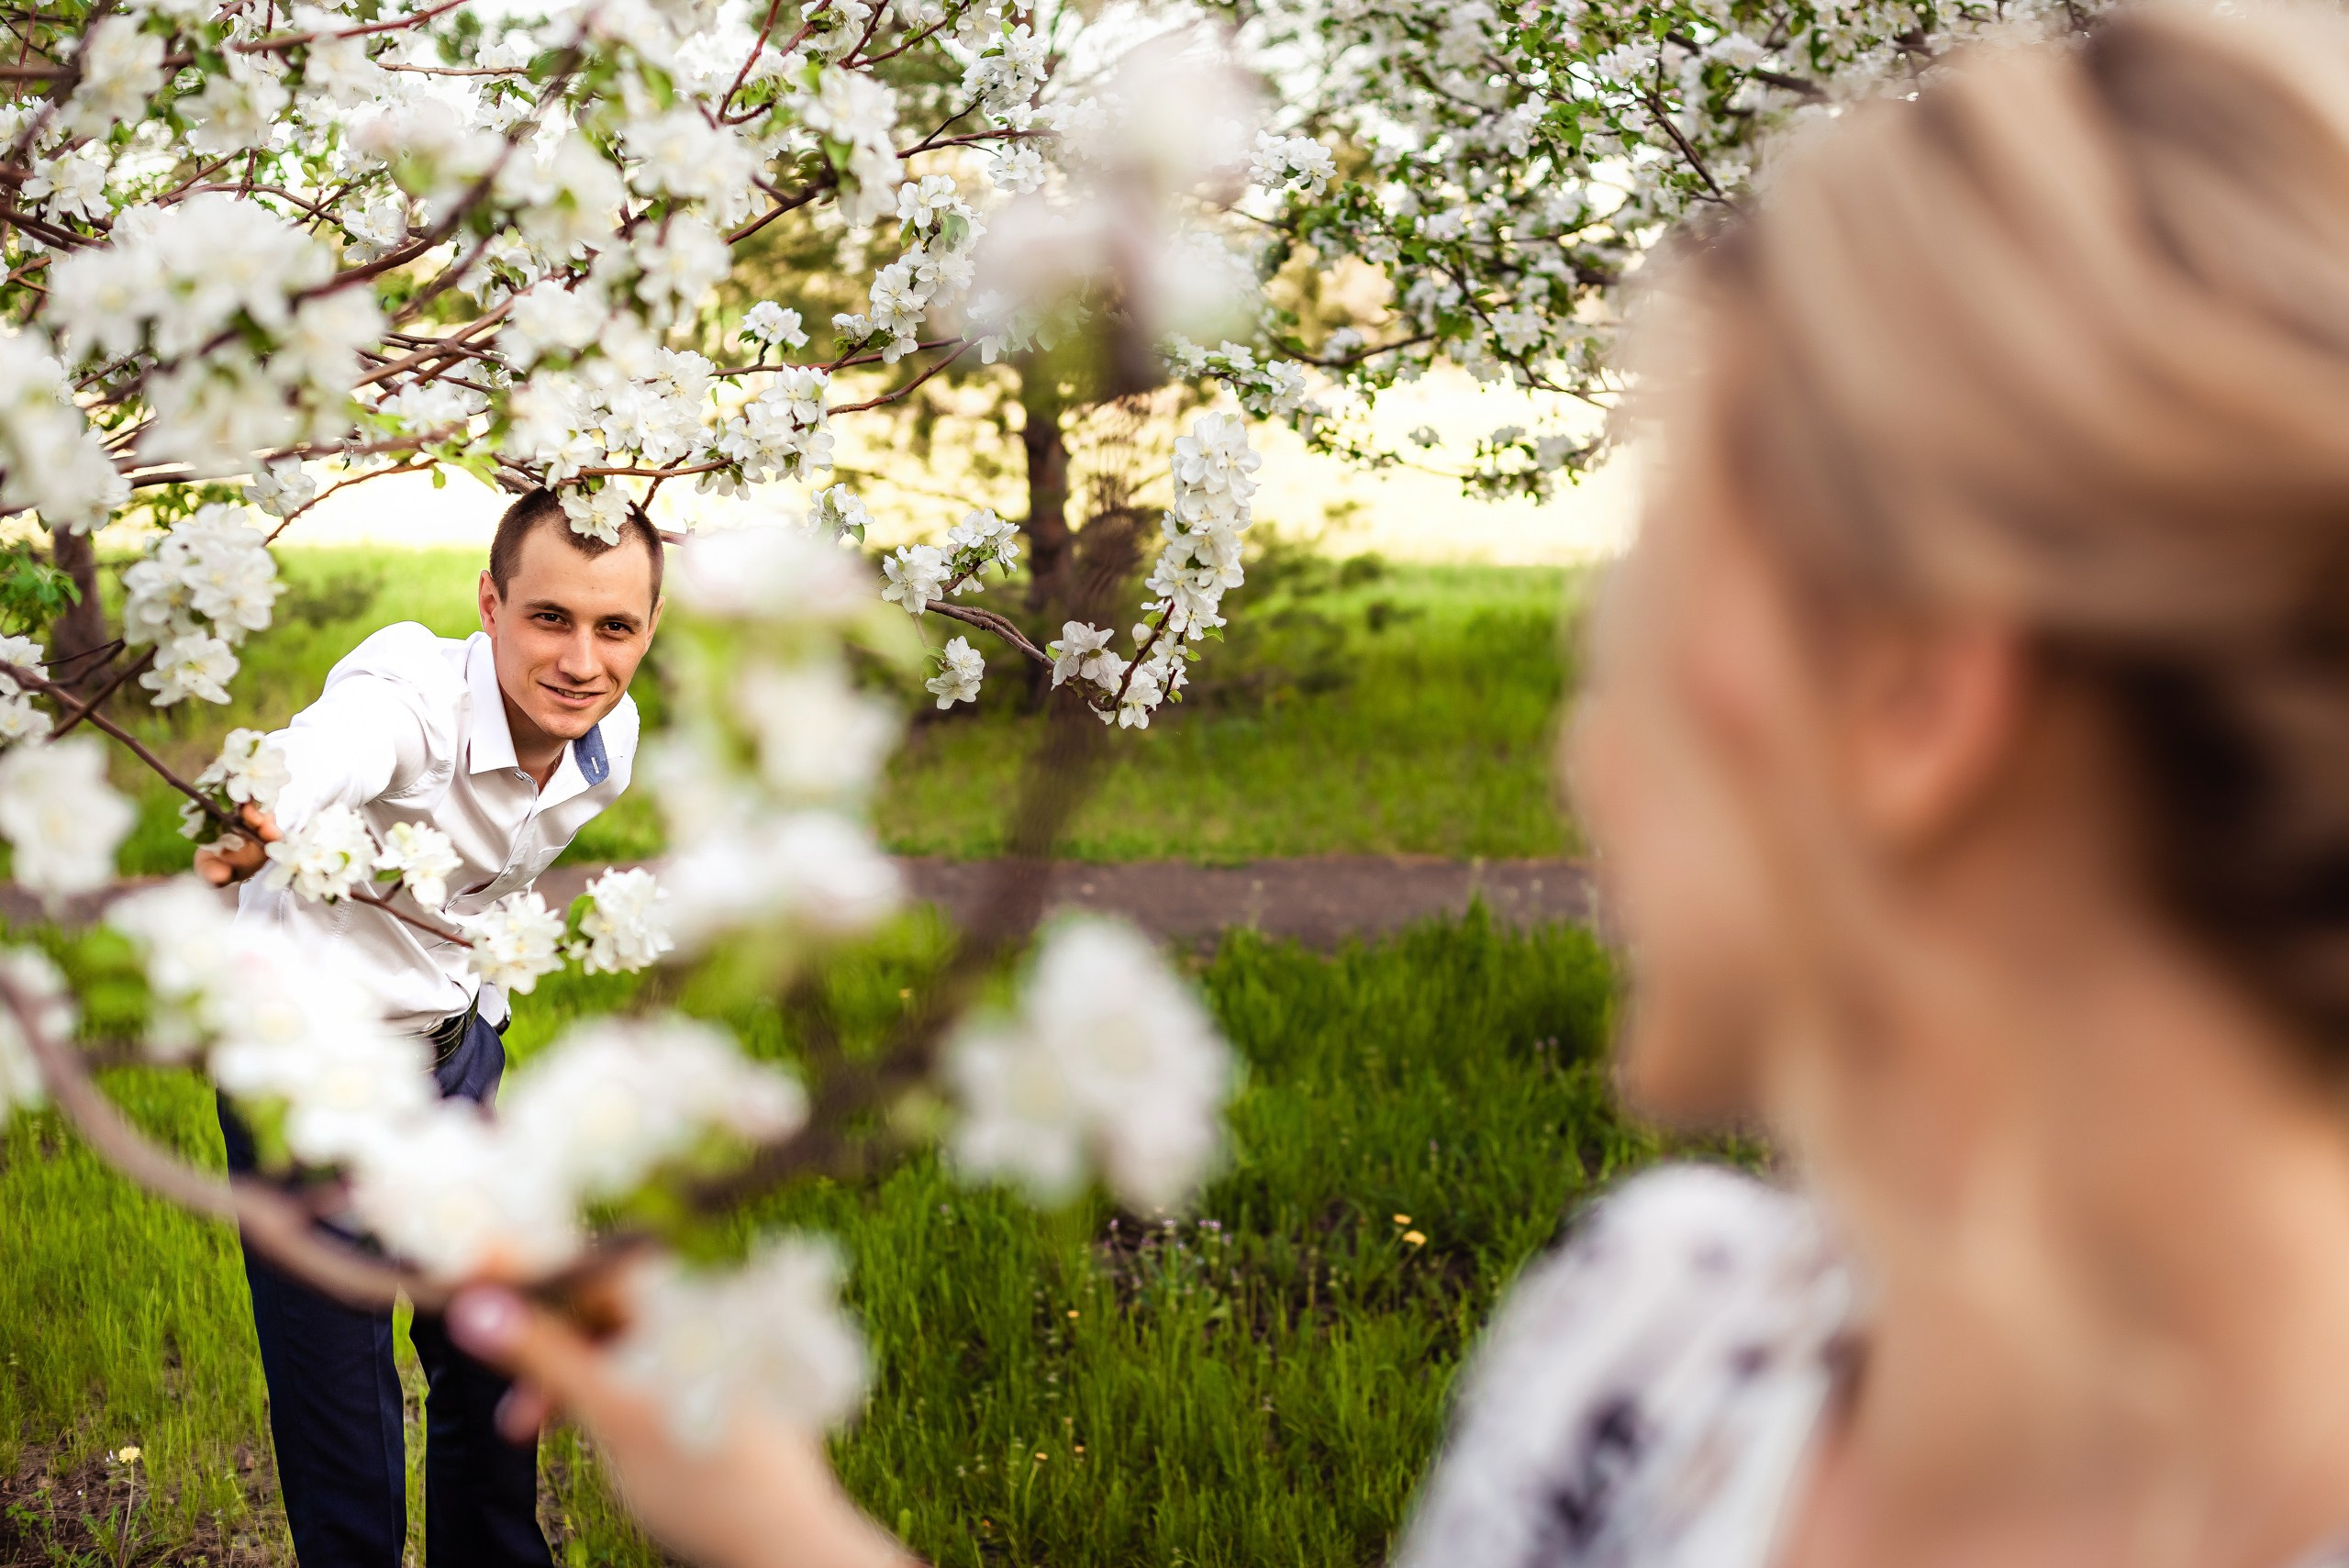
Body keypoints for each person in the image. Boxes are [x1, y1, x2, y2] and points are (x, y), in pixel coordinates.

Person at [441, 7, 2349, 1566]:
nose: (1581, 750)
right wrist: (778, 1519)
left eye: (1642, 606)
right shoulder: (1660, 1335)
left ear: (1913, 698)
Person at [199, 488, 663, 1568]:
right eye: (549, 617)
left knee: (497, 1361)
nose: (582, 661)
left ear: (646, 631)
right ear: (490, 605)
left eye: (615, 627)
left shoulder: (609, 739)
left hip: (454, 1063)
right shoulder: (410, 700)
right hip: (313, 1091)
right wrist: (258, 809)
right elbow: (330, 746)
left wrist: (479, 1036)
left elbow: (492, 886)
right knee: (347, 1437)